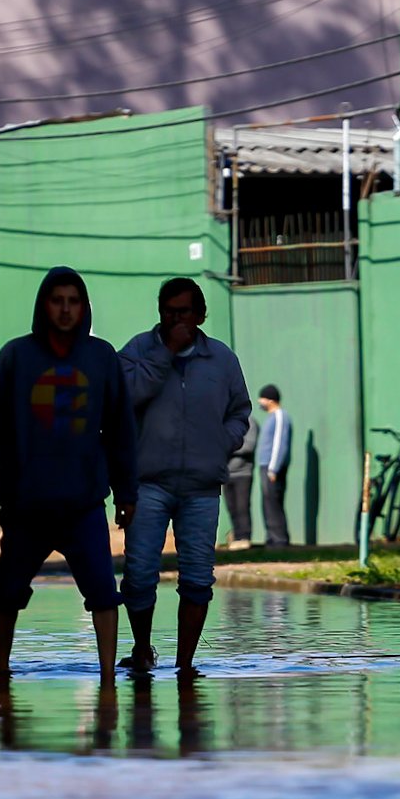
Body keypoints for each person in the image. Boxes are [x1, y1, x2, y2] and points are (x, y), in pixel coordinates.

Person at [0, 266, 137, 684]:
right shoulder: (15, 358)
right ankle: (1, 671)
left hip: (84, 505)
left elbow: (121, 430)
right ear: (43, 305)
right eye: (58, 300)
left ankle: (107, 679)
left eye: (74, 301)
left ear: (84, 307)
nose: (66, 309)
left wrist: (127, 492)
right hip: (25, 507)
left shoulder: (101, 358)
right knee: (8, 593)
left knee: (104, 594)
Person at [117, 277, 251, 677]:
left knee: (197, 577)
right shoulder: (138, 351)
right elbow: (123, 400)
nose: (175, 318)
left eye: (184, 311)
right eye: (168, 311)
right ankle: (142, 649)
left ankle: (185, 663)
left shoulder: (222, 360)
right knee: (139, 572)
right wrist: (166, 354)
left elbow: (240, 412)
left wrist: (220, 443)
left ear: (201, 314)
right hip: (148, 482)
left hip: (201, 486)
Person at [256, 383, 291, 548]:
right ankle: (271, 537)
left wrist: (273, 468)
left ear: (270, 399)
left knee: (274, 502)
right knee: (267, 502)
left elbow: (279, 443)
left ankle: (279, 539)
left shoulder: (279, 416)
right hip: (265, 467)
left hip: (271, 468)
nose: (259, 401)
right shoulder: (271, 418)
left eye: (262, 398)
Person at [223, 411, 258, 550]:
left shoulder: (249, 422)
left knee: (242, 507)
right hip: (226, 473)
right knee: (232, 508)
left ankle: (244, 537)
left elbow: (248, 446)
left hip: (243, 473)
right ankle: (237, 537)